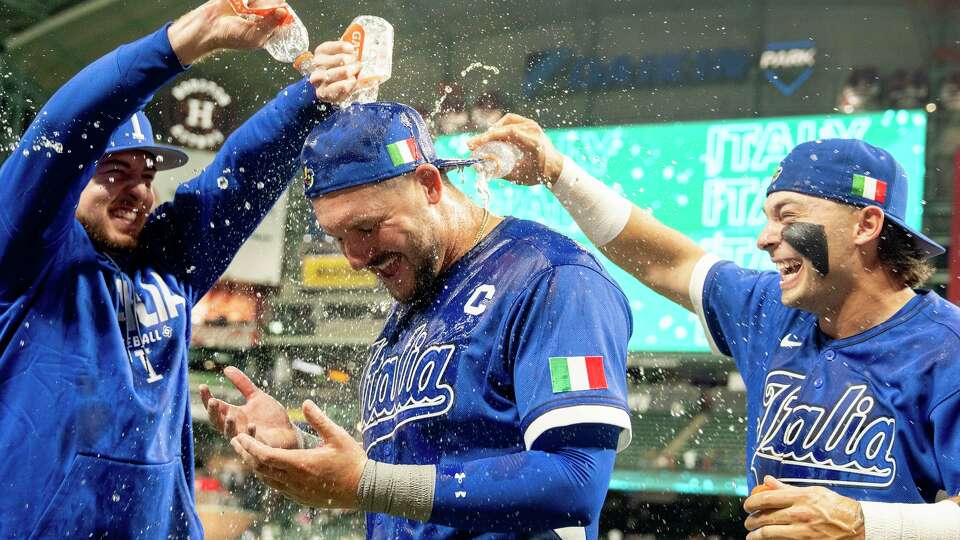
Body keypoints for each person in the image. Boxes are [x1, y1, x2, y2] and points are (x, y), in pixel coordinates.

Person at [201, 48, 633, 539]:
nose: (356, 258)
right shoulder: (411, 308)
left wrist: (367, 483)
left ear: (429, 184)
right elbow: (411, 477)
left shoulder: (553, 277)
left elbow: (574, 481)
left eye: (367, 227)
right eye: (338, 237)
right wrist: (301, 449)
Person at [467, 116, 960, 540]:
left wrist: (862, 523)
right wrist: (558, 172)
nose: (765, 238)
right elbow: (665, 260)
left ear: (866, 225)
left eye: (787, 217)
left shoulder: (946, 348)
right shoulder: (770, 308)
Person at [0, 1, 352, 536]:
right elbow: (63, 130)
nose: (138, 190)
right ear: (70, 181)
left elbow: (239, 175)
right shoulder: (25, 258)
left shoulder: (167, 265)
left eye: (146, 175)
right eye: (114, 171)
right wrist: (181, 43)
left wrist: (312, 96)